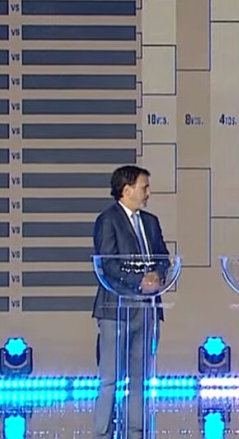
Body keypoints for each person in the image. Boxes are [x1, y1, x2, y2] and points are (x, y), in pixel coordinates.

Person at [92, 165, 170, 439]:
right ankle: (103, 433)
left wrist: (157, 274)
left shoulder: (151, 222)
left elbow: (163, 257)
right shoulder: (108, 220)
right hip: (115, 310)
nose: (148, 193)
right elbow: (108, 263)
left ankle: (136, 431)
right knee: (110, 378)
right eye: (144, 187)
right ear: (127, 190)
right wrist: (140, 281)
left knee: (140, 378)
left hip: (147, 310)